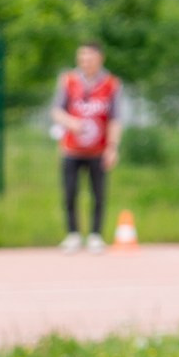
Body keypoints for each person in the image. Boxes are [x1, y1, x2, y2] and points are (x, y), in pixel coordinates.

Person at [51, 42, 120, 251]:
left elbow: (115, 118)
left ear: (99, 59)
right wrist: (71, 123)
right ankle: (72, 234)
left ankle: (95, 235)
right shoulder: (69, 81)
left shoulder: (111, 84)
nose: (85, 62)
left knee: (98, 194)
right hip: (71, 149)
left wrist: (113, 147)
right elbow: (56, 110)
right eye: (81, 58)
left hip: (98, 150)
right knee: (70, 192)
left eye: (89, 58)